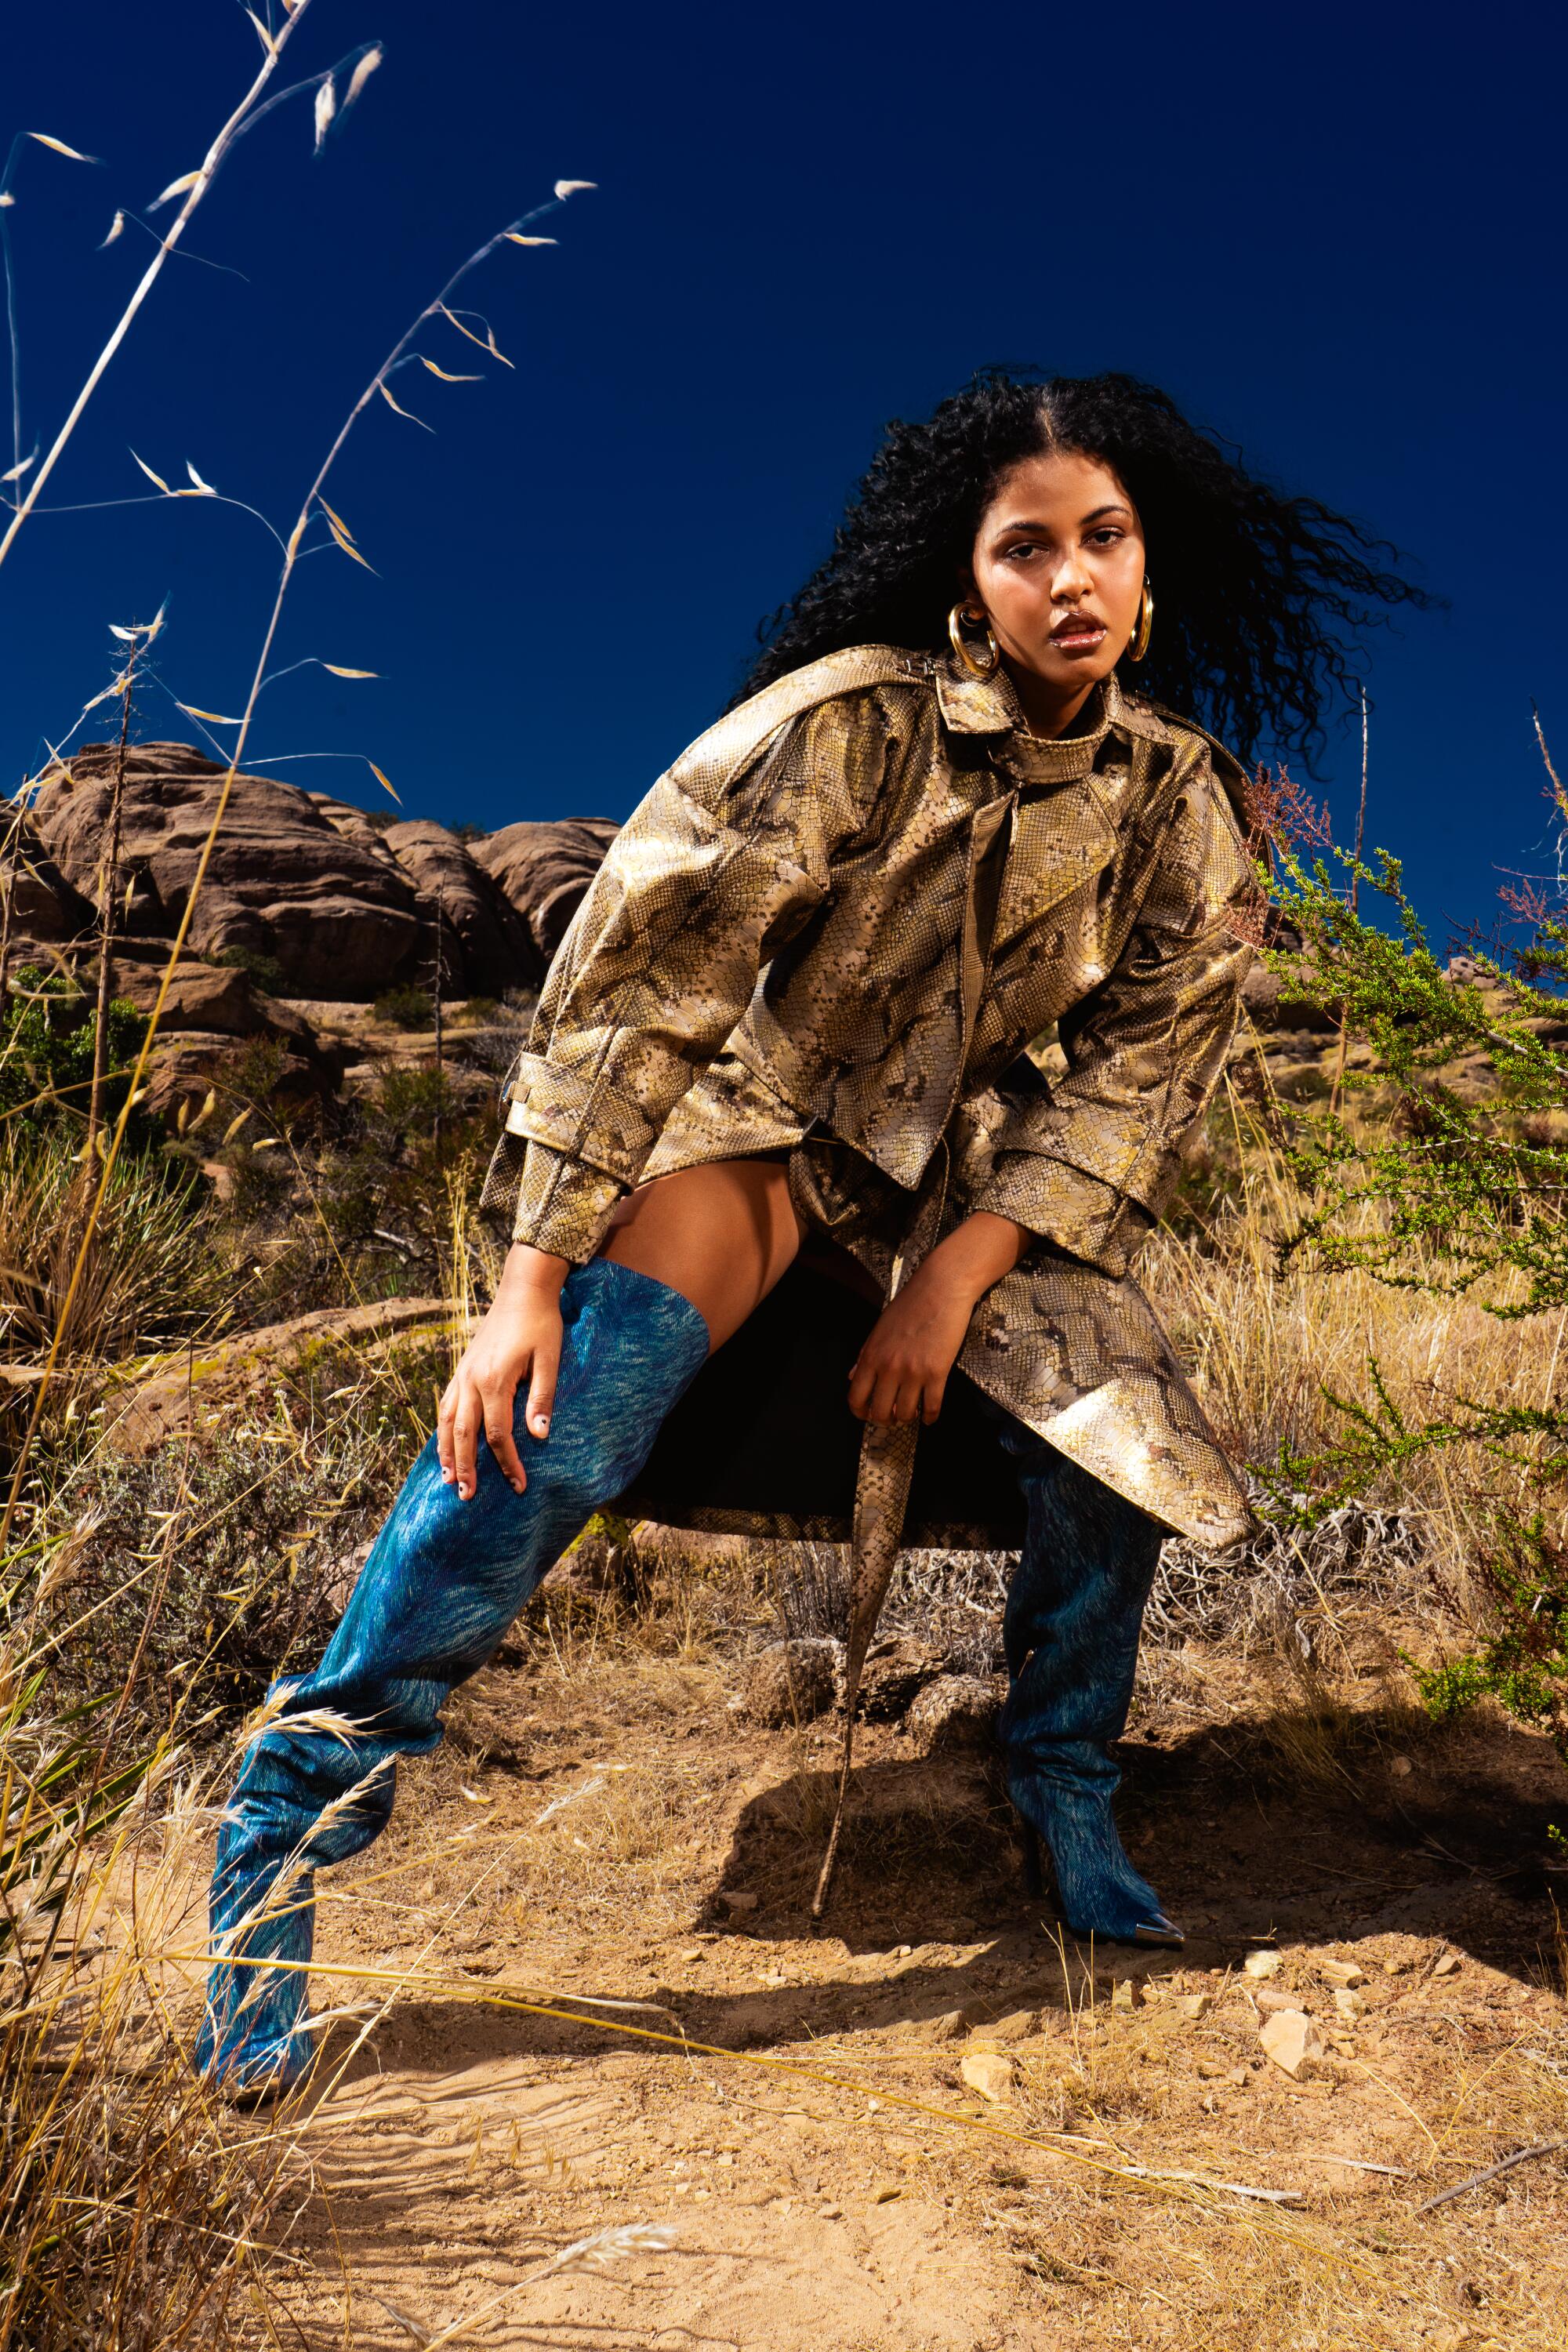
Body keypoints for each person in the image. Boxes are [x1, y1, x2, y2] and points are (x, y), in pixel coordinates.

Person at [198, 368, 1422, 2093]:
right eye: (1026, 548)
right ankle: (285, 1820)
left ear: (1151, 573)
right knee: (555, 1408)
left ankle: (1059, 1778)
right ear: (962, 577)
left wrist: (952, 1284)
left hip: (969, 1193)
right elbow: (644, 986)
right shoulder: (848, 723)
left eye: (1106, 540)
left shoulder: (1184, 810)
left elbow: (1130, 1094)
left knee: (1124, 1436)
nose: (1070, 580)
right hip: (760, 1125)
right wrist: (525, 1279)